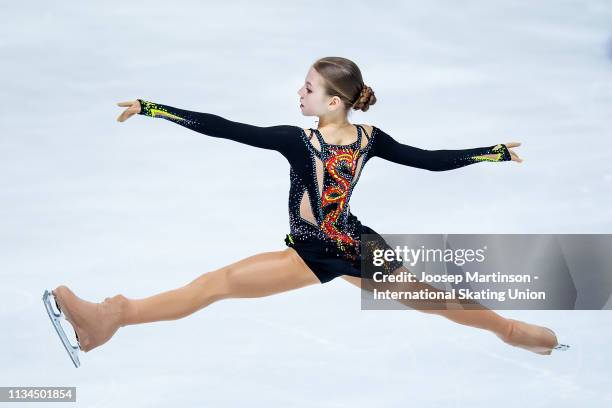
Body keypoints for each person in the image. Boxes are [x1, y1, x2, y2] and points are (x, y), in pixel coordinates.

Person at [51, 56, 561, 358]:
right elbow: (226, 126)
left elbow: (426, 161)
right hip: (316, 249)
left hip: (355, 250)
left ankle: (514, 332)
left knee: (437, 301)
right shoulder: (325, 138)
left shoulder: (344, 139)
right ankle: (109, 318)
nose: (300, 92)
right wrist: (154, 108)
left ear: (334, 101)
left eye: (310, 88)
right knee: (215, 285)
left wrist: (489, 152)